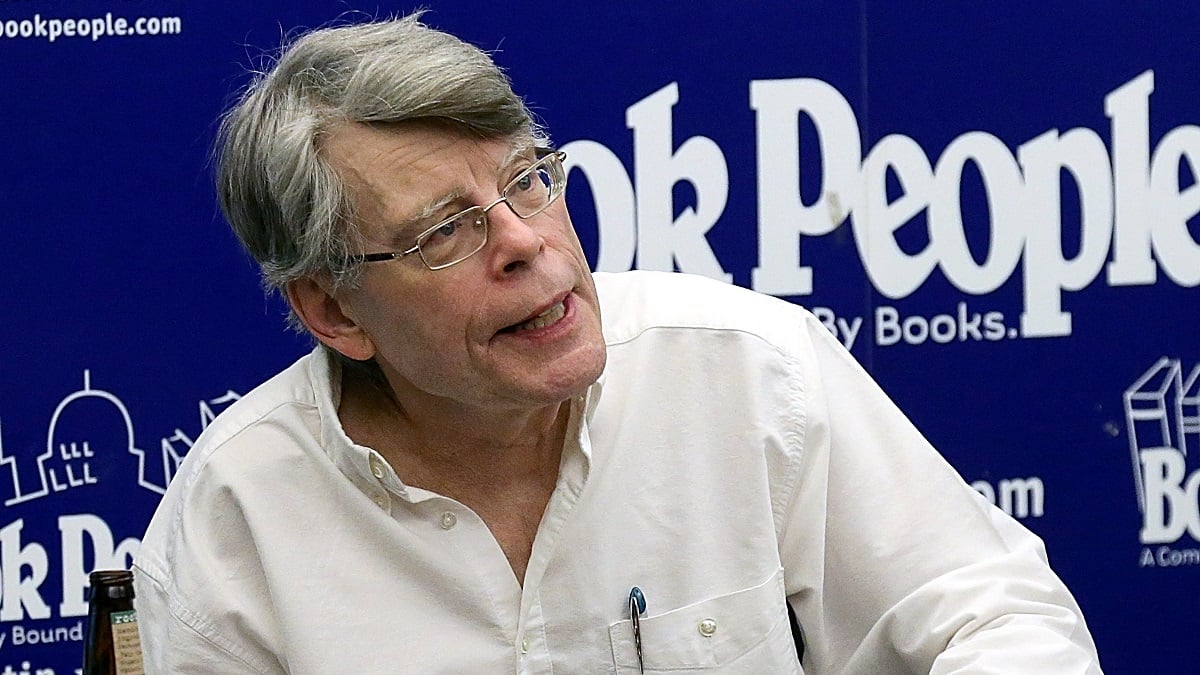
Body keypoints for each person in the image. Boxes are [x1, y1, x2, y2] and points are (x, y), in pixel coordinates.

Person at [133, 13, 1102, 673]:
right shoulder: (234, 524)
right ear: (334, 312)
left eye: (527, 181)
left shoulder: (745, 369)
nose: (523, 242)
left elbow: (1002, 619)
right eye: (445, 231)